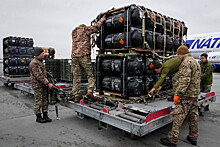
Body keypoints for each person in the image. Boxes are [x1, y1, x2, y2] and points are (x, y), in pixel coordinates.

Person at [160, 45, 201, 146]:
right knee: (193, 116)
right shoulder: (196, 62)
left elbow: (185, 80)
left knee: (178, 116)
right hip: (194, 94)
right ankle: (193, 136)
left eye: (179, 55)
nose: (178, 57)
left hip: (186, 95)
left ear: (181, 54)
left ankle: (172, 139)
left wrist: (178, 94)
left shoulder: (186, 62)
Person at [71, 15, 106, 103]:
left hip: (74, 57)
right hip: (84, 55)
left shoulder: (74, 32)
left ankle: (76, 95)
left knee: (76, 77)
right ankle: (90, 91)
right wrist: (101, 20)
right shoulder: (85, 30)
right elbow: (95, 27)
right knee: (90, 74)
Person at [29, 47, 54, 123]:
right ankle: (38, 117)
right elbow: (39, 75)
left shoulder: (40, 62)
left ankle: (45, 115)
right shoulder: (34, 63)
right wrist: (48, 83)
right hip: (38, 86)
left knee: (45, 101)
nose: (44, 54)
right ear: (39, 54)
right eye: (43, 53)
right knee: (38, 102)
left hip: (43, 85)